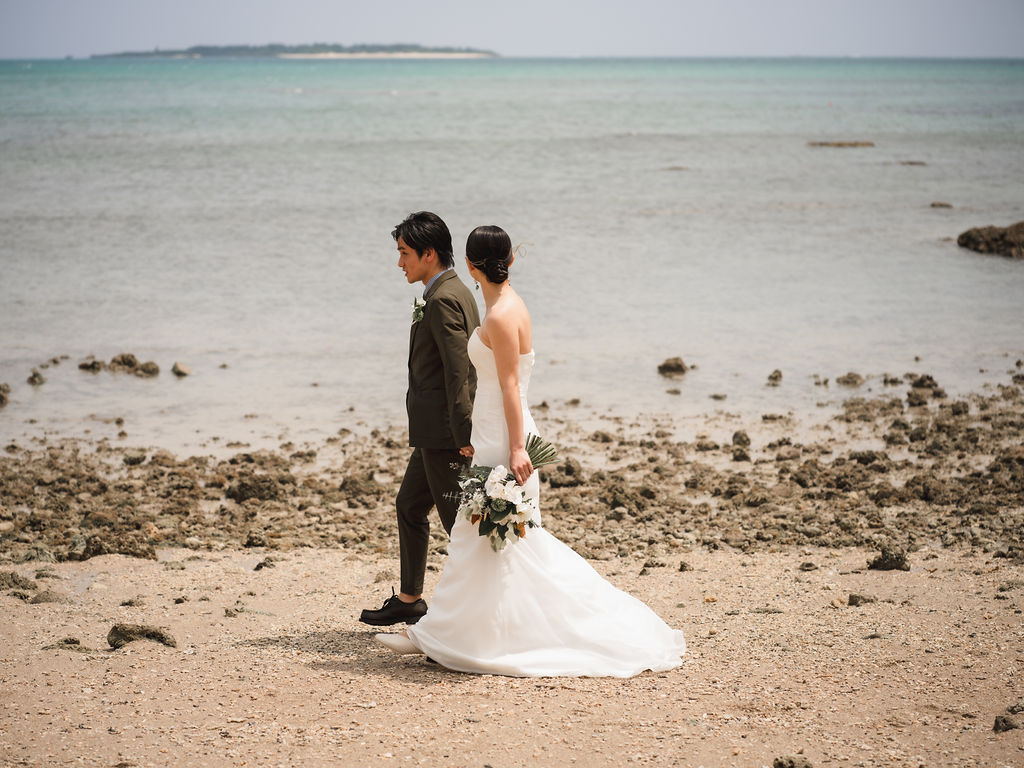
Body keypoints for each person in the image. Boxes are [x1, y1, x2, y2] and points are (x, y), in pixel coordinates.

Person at [375, 225, 686, 677]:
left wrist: (517, 449)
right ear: (511, 261)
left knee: (482, 535)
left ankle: (440, 634)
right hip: (493, 429)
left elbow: (509, 386)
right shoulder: (510, 305)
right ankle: (452, 632)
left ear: (470, 266)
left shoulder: (500, 316)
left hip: (502, 436)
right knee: (490, 542)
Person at [359, 212, 480, 627]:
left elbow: (459, 369)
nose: (400, 263)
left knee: (459, 528)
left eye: (404, 253)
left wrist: (463, 432)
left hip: (445, 434)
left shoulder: (444, 298)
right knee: (409, 505)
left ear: (429, 254)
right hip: (432, 431)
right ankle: (410, 599)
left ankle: (472, 613)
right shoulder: (450, 290)